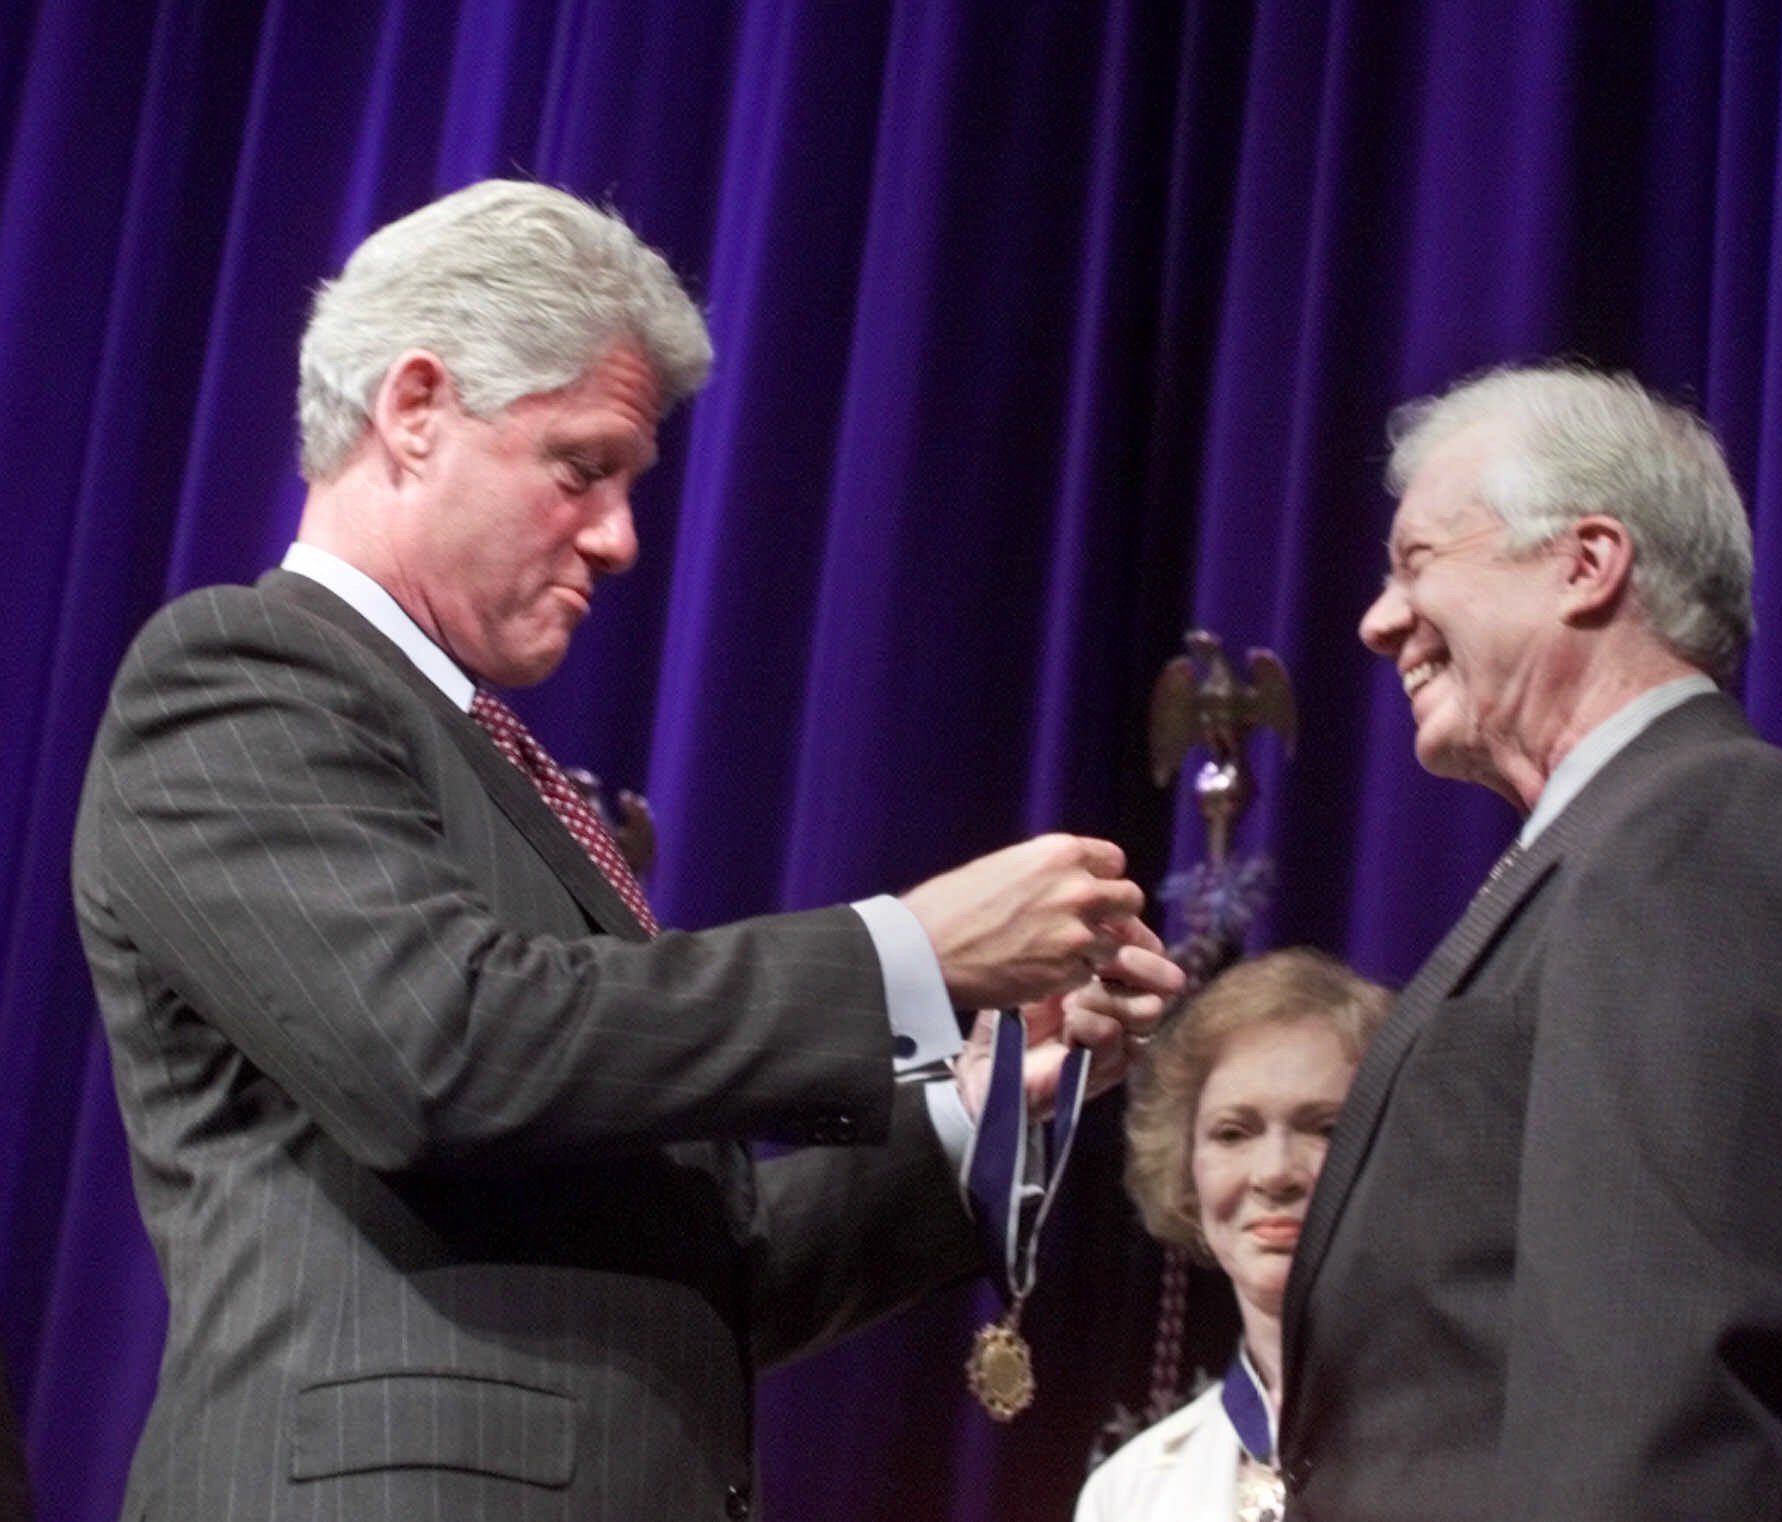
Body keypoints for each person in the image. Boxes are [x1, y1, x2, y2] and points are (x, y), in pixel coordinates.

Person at [70, 179, 1182, 1522]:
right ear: (414, 412)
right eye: (582, 467)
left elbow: (700, 1280)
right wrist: (909, 955)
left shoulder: (493, 763)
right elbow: (442, 1047)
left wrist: (990, 1098)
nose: (619, 537)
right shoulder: (240, 674)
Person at [1274, 362, 1782, 1520]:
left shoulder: (1714, 831)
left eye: (1417, 561)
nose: (1377, 620)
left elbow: (1668, 1395)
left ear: (1587, 564)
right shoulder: (1612, 849)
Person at [1074, 949, 1390, 1522]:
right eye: (1233, 1132)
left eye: (1325, 1129)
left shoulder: (1490, 1441)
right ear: (1186, 1172)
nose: (1274, 1173)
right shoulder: (1131, 1493)